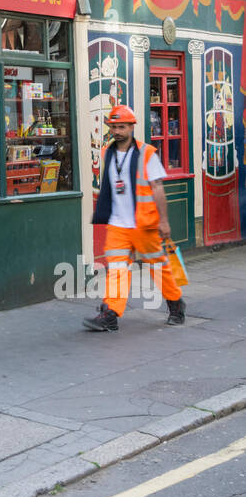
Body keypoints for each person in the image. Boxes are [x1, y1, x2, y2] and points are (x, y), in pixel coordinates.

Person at [84, 104, 184, 332]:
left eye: (122, 127)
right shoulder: (105, 153)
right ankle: (110, 313)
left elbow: (157, 188)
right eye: (114, 126)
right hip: (118, 225)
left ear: (131, 127)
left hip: (144, 224)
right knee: (116, 268)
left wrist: (164, 221)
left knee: (159, 267)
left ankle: (176, 303)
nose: (117, 131)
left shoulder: (147, 153)